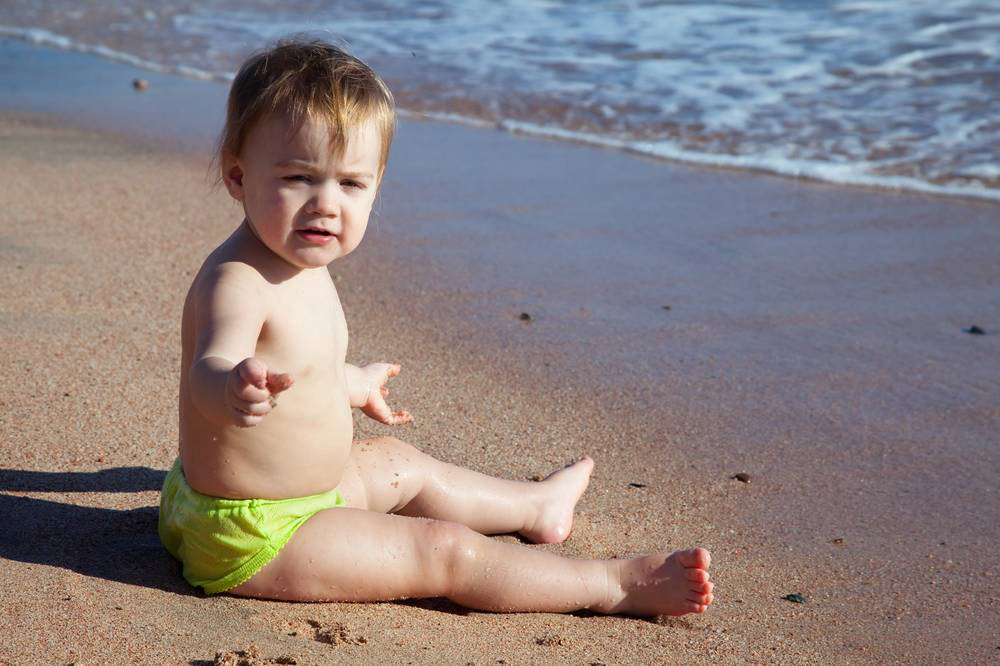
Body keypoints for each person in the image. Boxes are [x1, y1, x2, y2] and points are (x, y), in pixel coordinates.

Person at [158, 38, 714, 616]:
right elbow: (211, 366)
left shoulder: (298, 261)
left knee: (400, 461)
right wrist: (231, 389)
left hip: (300, 496)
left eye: (350, 184)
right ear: (237, 175)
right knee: (443, 552)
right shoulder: (239, 279)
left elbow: (299, 365)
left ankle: (534, 506)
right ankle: (612, 587)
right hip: (253, 534)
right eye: (299, 177)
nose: (327, 204)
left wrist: (349, 382)